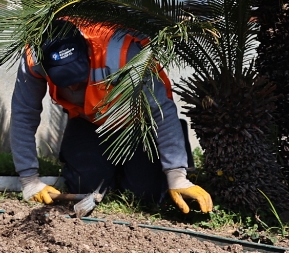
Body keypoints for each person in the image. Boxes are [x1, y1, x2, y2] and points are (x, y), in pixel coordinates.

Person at [11, 20, 213, 214]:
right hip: (89, 123)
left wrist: (176, 175)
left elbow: (161, 110)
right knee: (86, 185)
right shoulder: (34, 57)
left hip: (138, 123)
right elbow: (23, 113)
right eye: (64, 81)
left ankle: (157, 162)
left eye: (78, 80)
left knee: (145, 196)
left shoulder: (123, 52)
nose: (72, 87)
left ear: (88, 52)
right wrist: (29, 181)